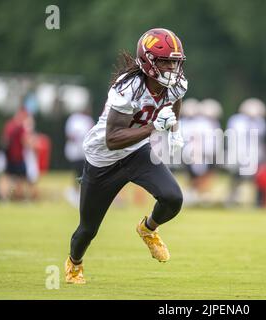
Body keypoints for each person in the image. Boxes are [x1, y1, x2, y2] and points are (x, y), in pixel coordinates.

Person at [65, 28, 188, 284]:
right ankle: (74, 264)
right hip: (103, 159)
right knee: (88, 230)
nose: (171, 68)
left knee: (173, 198)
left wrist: (174, 130)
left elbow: (174, 103)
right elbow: (112, 139)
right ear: (148, 61)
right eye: (165, 61)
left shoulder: (176, 84)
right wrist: (155, 127)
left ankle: (148, 229)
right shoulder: (128, 87)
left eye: (175, 62)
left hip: (135, 153)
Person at [226, 98, 266, 207]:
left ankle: (258, 202)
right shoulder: (236, 120)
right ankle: (232, 199)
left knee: (256, 179)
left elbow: (259, 139)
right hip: (238, 154)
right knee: (235, 178)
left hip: (253, 155)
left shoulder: (260, 122)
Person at [64, 107, 95, 208]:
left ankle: (82, 192)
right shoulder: (74, 119)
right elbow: (69, 134)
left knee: (84, 172)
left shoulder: (89, 120)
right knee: (78, 172)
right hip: (75, 151)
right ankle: (76, 192)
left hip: (84, 152)